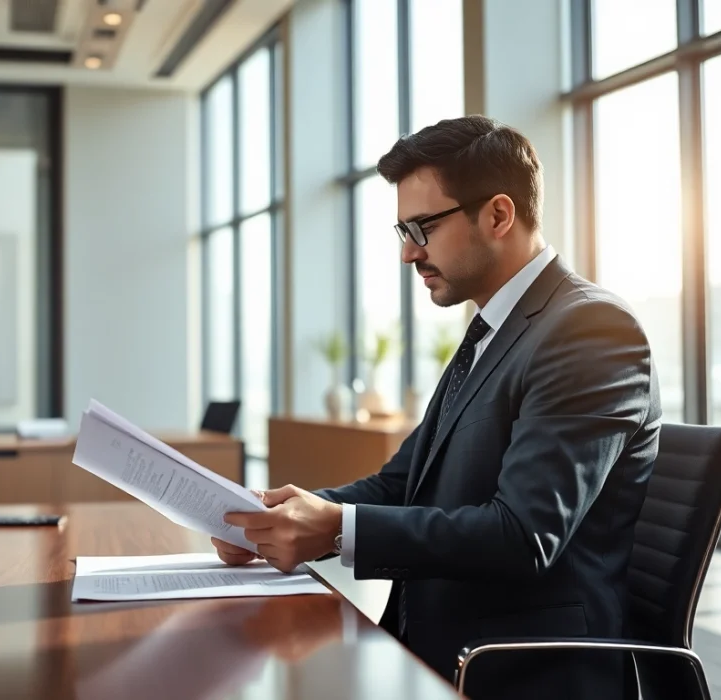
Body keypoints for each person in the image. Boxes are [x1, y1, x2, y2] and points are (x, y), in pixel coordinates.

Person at [215, 115, 660, 699]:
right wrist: (287, 514)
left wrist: (336, 529)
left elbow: (522, 535)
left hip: (519, 668)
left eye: (422, 227)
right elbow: (404, 482)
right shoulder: (492, 331)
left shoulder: (590, 330)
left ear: (499, 215)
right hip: (443, 644)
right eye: (402, 230)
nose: (408, 253)